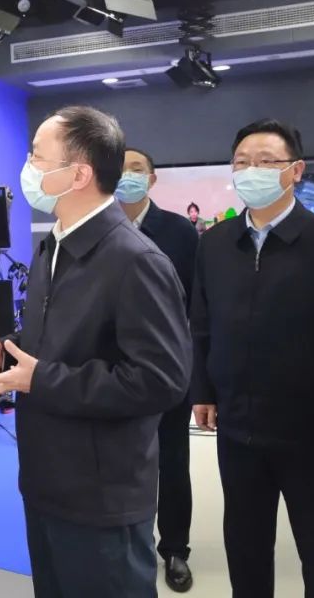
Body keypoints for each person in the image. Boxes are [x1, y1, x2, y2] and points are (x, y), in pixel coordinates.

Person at [0, 106, 191, 598]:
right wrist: (7, 358)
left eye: (37, 157)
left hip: (101, 494)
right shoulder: (54, 246)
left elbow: (161, 380)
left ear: (79, 174)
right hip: (47, 479)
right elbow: (60, 345)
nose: (27, 168)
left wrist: (39, 378)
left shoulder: (135, 260)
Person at [190, 119, 314, 598]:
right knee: (245, 545)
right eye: (242, 162)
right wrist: (203, 391)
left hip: (311, 432)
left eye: (266, 161)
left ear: (296, 170)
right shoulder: (215, 243)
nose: (252, 170)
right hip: (237, 428)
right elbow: (202, 323)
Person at [116, 147, 200, 593]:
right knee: (119, 462)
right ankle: (128, 542)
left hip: (167, 369)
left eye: (136, 169)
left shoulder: (179, 232)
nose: (127, 176)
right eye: (120, 168)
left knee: (172, 459)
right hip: (113, 372)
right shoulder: (99, 229)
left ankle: (175, 548)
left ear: (151, 179)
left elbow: (196, 303)